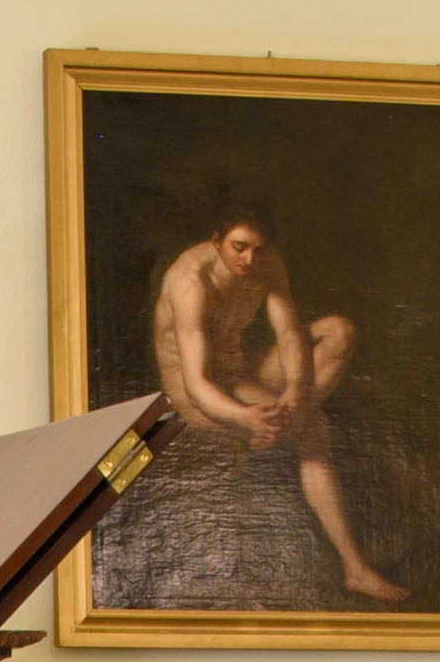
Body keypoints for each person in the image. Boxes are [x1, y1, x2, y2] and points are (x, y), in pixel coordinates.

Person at [151, 203, 411, 604]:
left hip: (241, 374)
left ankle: (283, 424)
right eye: (239, 247)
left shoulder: (265, 263)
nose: (249, 259)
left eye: (257, 248)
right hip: (198, 397)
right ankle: (356, 569)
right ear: (216, 241)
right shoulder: (190, 282)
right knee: (315, 430)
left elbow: (289, 333)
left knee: (339, 333)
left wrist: (295, 390)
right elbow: (197, 383)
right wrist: (246, 417)